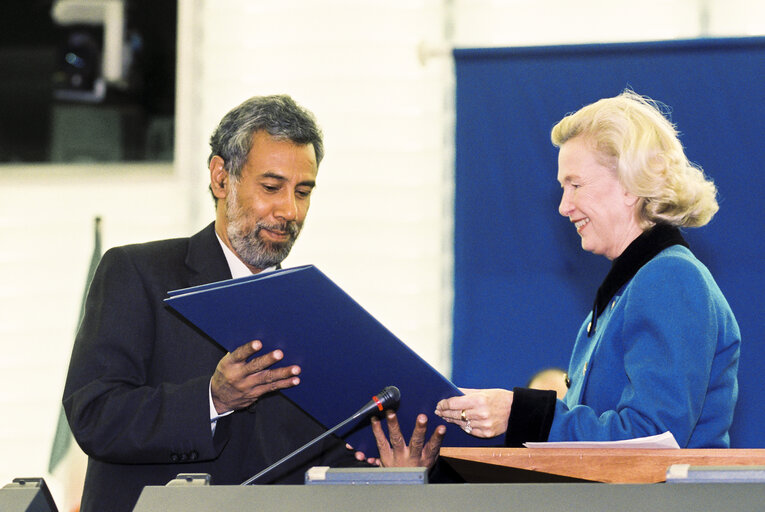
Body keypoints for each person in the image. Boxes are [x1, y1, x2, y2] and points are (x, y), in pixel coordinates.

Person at [63, 95, 445, 512]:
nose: (289, 211)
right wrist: (213, 399)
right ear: (221, 178)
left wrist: (394, 476)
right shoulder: (139, 274)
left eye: (303, 191)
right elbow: (94, 415)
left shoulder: (318, 315)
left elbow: (321, 461)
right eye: (271, 187)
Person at [435, 90, 740, 448]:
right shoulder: (625, 295)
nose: (564, 206)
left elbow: (653, 440)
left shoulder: (670, 279)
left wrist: (523, 412)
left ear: (630, 185)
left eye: (575, 185)